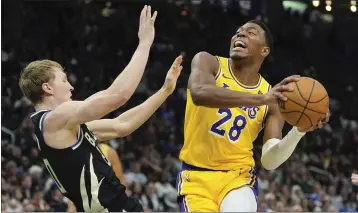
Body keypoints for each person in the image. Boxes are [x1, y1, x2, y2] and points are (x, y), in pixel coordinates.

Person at [19, 5, 184, 212]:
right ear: (47, 87)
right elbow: (118, 95)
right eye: (64, 80)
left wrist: (164, 91)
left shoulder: (64, 126)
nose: (70, 86)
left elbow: (121, 125)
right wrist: (145, 43)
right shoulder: (54, 120)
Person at [177, 20, 330, 212]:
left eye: (250, 33)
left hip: (237, 178)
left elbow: (270, 161)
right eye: (238, 32)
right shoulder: (208, 62)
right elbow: (200, 93)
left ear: (264, 51)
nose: (240, 35)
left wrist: (299, 131)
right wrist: (260, 99)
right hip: (196, 177)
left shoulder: (271, 97)